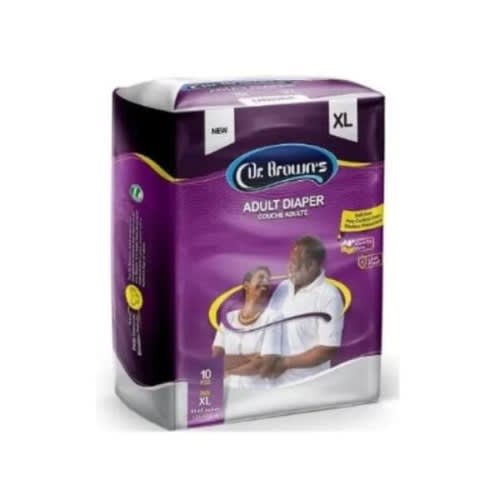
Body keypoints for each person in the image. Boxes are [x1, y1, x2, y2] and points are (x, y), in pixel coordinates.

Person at [268, 236, 344, 384]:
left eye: (295, 263)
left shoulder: (329, 296)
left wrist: (285, 363)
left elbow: (328, 349)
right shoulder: (283, 287)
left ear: (311, 266)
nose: (289, 267)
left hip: (308, 386)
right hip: (273, 385)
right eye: (289, 261)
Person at [212, 266, 282, 389]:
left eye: (268, 280)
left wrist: (230, 370)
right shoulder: (229, 318)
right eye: (261, 277)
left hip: (257, 393)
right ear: (246, 285)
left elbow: (265, 364)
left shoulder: (273, 317)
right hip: (227, 391)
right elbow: (216, 360)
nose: (266, 282)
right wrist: (250, 358)